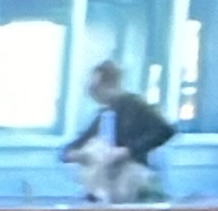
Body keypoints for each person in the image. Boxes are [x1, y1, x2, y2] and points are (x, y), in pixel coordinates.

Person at [64, 62, 175, 202]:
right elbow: (78, 143)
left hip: (133, 178)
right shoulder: (104, 115)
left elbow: (165, 130)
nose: (92, 93)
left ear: (110, 84)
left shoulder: (136, 105)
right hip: (110, 182)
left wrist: (128, 151)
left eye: (95, 87)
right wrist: (75, 154)